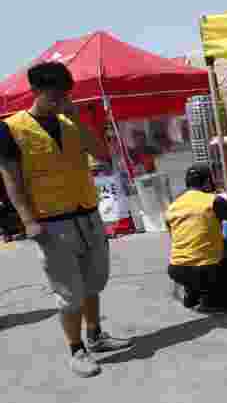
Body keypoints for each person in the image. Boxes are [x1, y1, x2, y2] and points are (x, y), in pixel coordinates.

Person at [0, 61, 133, 377]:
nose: (60, 99)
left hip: (87, 213)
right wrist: (27, 220)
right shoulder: (11, 128)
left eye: (64, 93)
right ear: (36, 92)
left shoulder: (71, 121)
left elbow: (102, 155)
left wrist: (76, 118)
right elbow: (11, 179)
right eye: (54, 94)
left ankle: (96, 335)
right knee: (68, 291)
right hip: (52, 221)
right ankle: (76, 350)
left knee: (93, 281)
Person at [165, 163, 227, 311]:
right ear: (207, 181)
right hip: (205, 269)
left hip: (176, 269)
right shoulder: (212, 201)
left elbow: (176, 236)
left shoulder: (172, 206)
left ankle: (192, 293)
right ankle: (214, 300)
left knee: (198, 264)